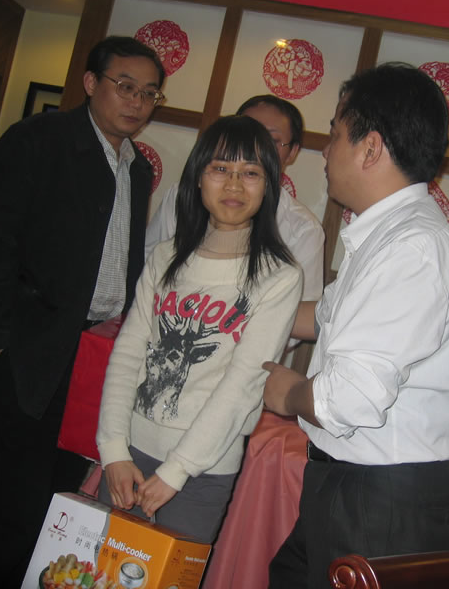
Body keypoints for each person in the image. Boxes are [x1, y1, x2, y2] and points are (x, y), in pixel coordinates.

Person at [262, 62, 449, 588]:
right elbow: (324, 318)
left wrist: (287, 393)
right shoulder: (389, 234)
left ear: (371, 148)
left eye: (335, 133)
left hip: (379, 500)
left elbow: (349, 399)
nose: (325, 151)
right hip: (356, 487)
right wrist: (238, 309)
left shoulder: (412, 247)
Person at [0, 36, 165, 585]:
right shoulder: (38, 140)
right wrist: (2, 336)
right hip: (33, 348)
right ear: (91, 83)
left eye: (149, 93)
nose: (137, 102)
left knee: (63, 501)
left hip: (94, 353)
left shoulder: (136, 168)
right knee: (16, 504)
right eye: (125, 86)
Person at [96, 115, 303, 544]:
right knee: (97, 569)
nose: (234, 185)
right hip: (128, 453)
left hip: (202, 470)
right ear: (197, 178)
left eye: (250, 172)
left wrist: (177, 470)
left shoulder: (279, 276)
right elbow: (129, 353)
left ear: (269, 186)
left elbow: (243, 384)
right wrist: (113, 450)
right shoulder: (165, 257)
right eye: (220, 168)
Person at [145, 94, 324, 302]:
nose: (253, 147)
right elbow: (149, 269)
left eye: (271, 140)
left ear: (292, 152)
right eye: (245, 134)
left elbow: (301, 306)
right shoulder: (181, 197)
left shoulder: (303, 229)